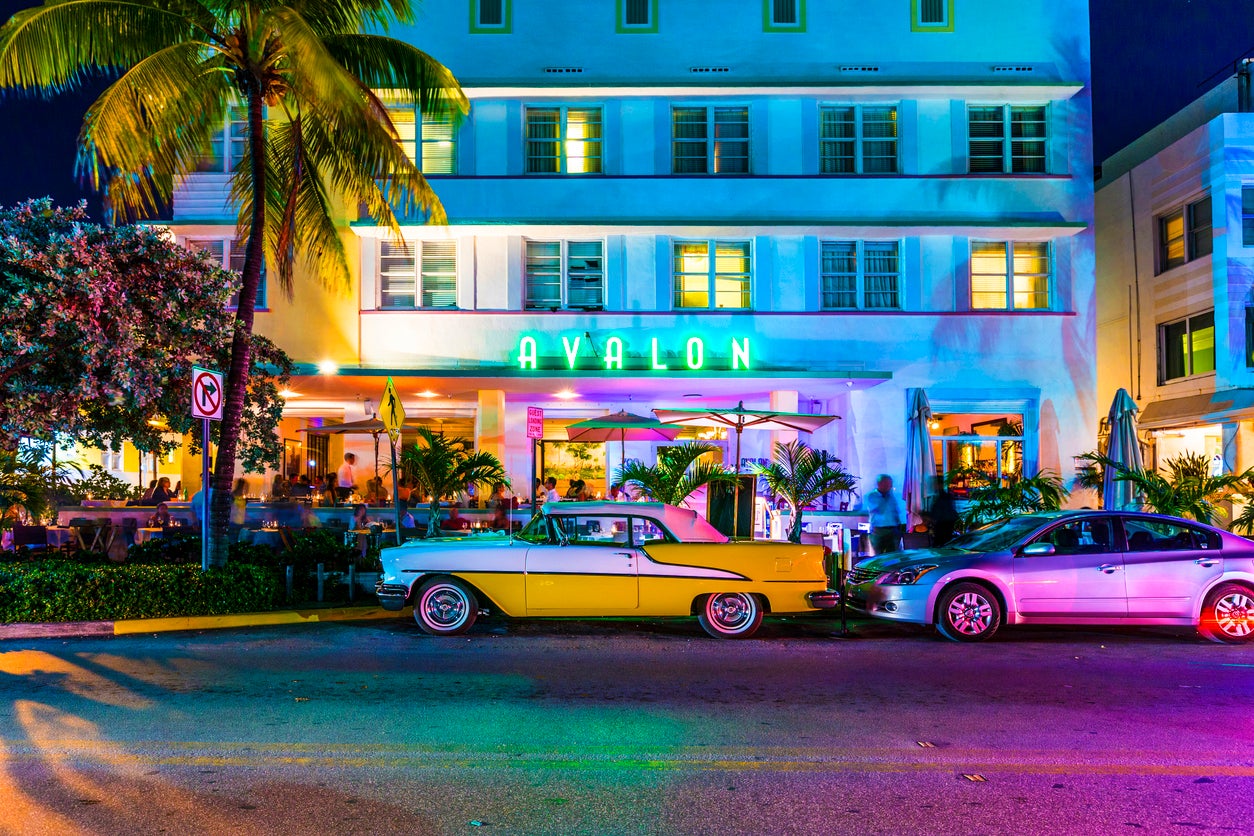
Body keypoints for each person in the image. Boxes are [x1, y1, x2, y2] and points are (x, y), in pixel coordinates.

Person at [864, 473, 907, 556]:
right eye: (887, 483)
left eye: (890, 484)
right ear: (880, 484)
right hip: (878, 530)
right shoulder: (872, 496)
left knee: (892, 556)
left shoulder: (892, 496)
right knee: (877, 556)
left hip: (893, 530)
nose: (890, 486)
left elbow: (896, 510)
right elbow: (878, 509)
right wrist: (885, 497)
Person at [923, 476, 959, 547]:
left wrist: (927, 515)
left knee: (940, 546)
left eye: (935, 484)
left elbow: (939, 514)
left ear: (939, 485)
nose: (933, 486)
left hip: (943, 529)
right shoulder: (943, 497)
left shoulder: (942, 498)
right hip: (945, 528)